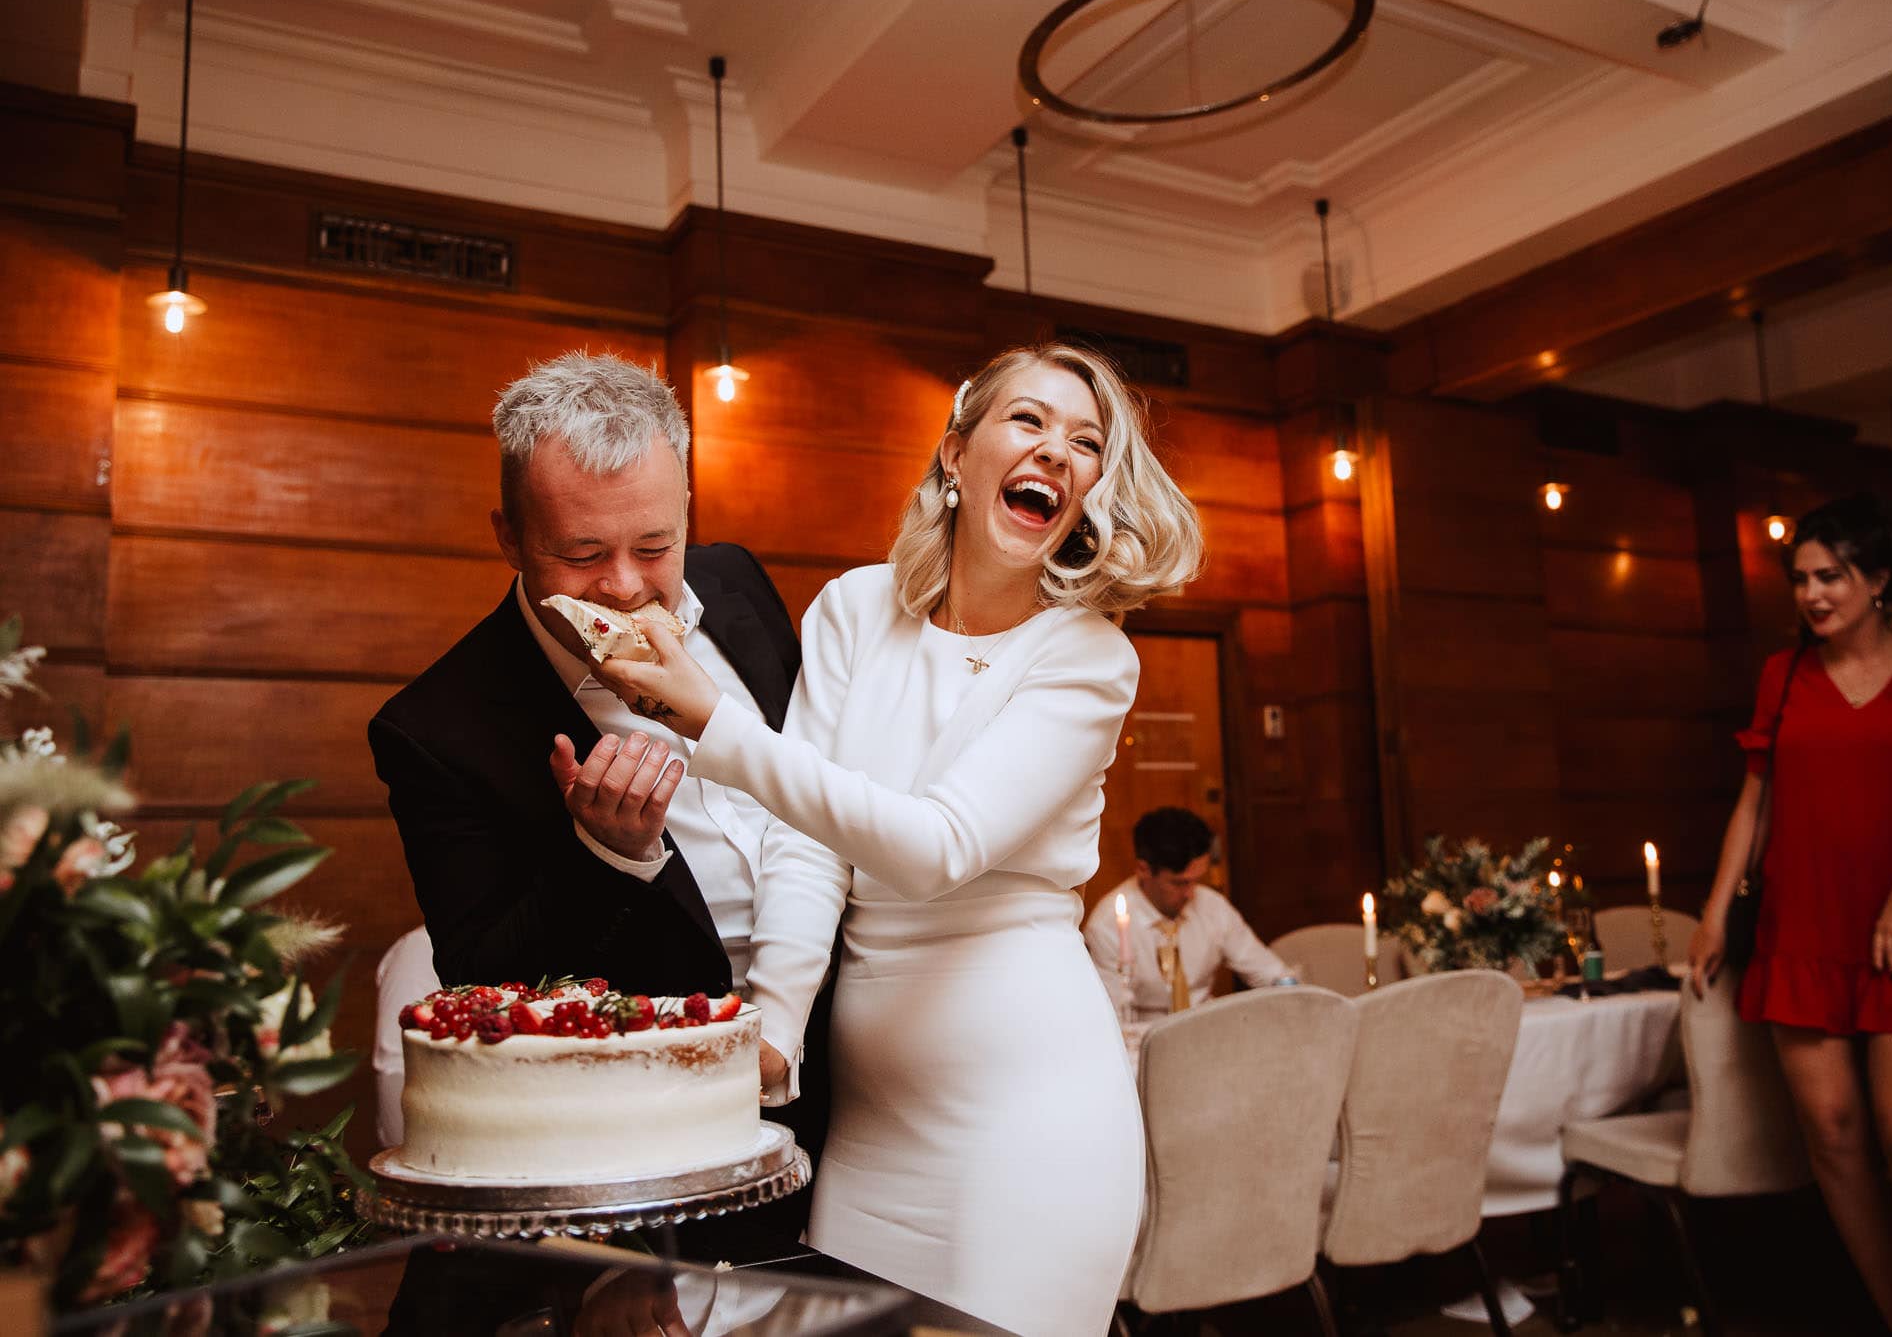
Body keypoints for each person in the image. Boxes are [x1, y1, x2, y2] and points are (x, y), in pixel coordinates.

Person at [586, 343, 1206, 1337]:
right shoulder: (852, 609)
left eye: (1084, 443)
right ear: (955, 456)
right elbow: (809, 847)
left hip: (1030, 1126)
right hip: (871, 1141)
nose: (1056, 450)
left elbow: (933, 847)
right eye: (1028, 422)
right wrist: (777, 1028)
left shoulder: (1088, 657)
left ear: (1090, 491)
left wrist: (717, 727)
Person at [365, 351, 826, 1245]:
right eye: (580, 553)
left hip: (838, 1083)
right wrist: (611, 857)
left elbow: (807, 796)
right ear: (509, 536)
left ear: (687, 509)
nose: (622, 583)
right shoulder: (436, 726)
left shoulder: (738, 586)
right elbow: (485, 974)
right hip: (650, 1152)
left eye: (653, 545)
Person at [1689, 495, 1892, 1337]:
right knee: (1833, 1137)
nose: (1812, 595)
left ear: (1879, 578)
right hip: (1802, 922)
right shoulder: (1783, 675)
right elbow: (1756, 801)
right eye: (1802, 579)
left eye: (1831, 576)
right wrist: (1711, 914)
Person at [1083, 806, 1294, 1023]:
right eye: (1180, 883)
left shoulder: (1212, 906)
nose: (1192, 894)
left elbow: (1268, 972)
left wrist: (1291, 990)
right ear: (1143, 869)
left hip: (1207, 1027)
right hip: (1145, 1034)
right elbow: (1112, 1015)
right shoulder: (1107, 924)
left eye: (1196, 880)